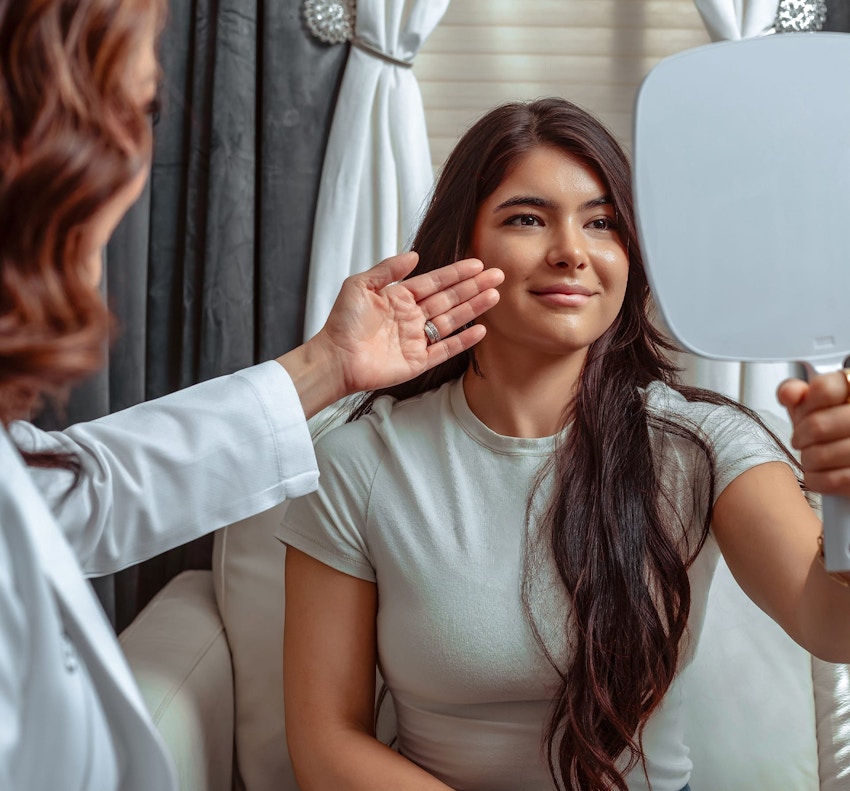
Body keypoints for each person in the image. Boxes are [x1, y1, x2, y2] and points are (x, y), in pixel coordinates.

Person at [0, 1, 505, 789]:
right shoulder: (362, 468)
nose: (134, 173)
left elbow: (71, 492)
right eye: (129, 118)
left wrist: (329, 364)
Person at [279, 97, 850, 791]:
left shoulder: (703, 446)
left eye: (602, 222)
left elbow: (831, 623)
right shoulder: (358, 462)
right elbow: (324, 740)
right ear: (461, 248)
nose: (572, 251)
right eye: (526, 218)